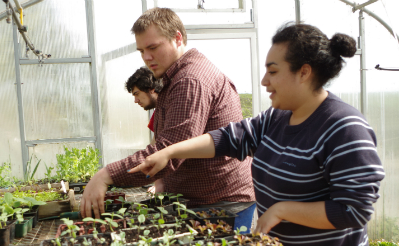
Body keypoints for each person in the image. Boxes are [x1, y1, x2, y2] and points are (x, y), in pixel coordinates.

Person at [129, 23, 385, 246]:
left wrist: (282, 211)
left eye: (273, 71)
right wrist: (170, 151)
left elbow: (354, 210)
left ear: (304, 72)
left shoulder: (344, 128)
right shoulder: (277, 117)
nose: (264, 81)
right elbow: (229, 138)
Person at [80, 7, 256, 229]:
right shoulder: (175, 77)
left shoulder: (190, 80)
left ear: (177, 38)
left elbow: (169, 150)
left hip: (220, 203)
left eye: (153, 47)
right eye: (141, 50)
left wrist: (106, 175)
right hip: (207, 200)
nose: (146, 57)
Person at [124, 66, 164, 192]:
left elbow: (166, 149)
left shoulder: (173, 109)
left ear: (151, 89)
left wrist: (160, 184)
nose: (136, 101)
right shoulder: (158, 113)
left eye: (137, 94)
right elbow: (155, 145)